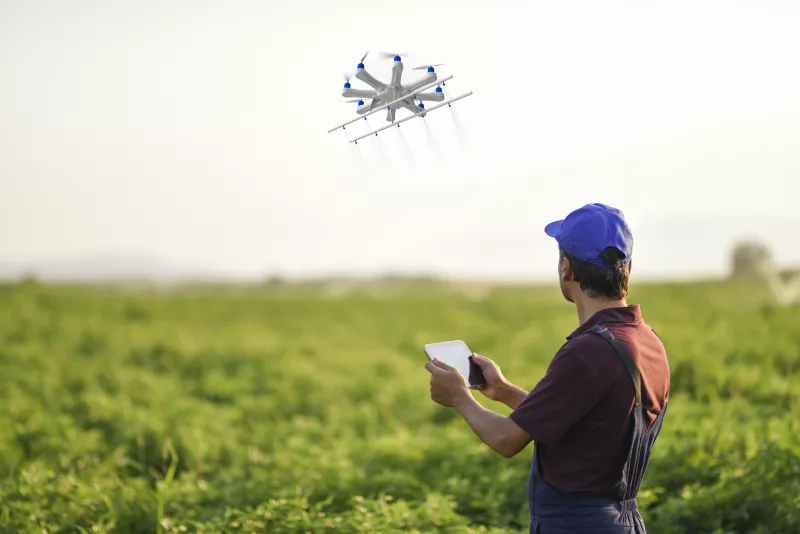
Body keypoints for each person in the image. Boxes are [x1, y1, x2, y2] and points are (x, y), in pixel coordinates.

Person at [424, 203, 670, 534]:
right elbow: (585, 425)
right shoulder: (647, 341)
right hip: (624, 522)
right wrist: (504, 391)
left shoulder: (587, 352)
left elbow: (506, 440)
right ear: (627, 267)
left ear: (566, 268)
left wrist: (459, 397)